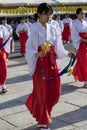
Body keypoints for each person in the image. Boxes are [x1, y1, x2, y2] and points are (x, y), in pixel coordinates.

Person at [25, 3, 75, 130]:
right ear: (39, 14)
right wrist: (37, 53)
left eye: (50, 14)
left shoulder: (53, 28)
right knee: (43, 93)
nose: (48, 16)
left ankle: (46, 113)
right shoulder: (35, 29)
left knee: (55, 92)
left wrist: (67, 53)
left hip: (52, 63)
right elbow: (29, 48)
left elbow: (58, 47)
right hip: (40, 65)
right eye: (46, 14)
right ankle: (43, 121)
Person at [71, 8, 87, 87]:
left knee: (83, 61)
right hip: (80, 44)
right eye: (81, 13)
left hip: (86, 43)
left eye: (83, 13)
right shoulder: (74, 24)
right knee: (83, 61)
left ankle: (75, 72)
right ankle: (85, 81)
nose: (83, 15)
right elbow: (74, 36)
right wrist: (83, 40)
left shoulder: (85, 22)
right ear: (77, 15)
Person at [0, 20, 12, 93]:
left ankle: (3, 86)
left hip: (0, 50)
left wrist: (9, 36)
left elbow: (7, 37)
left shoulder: (1, 28)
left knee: (3, 67)